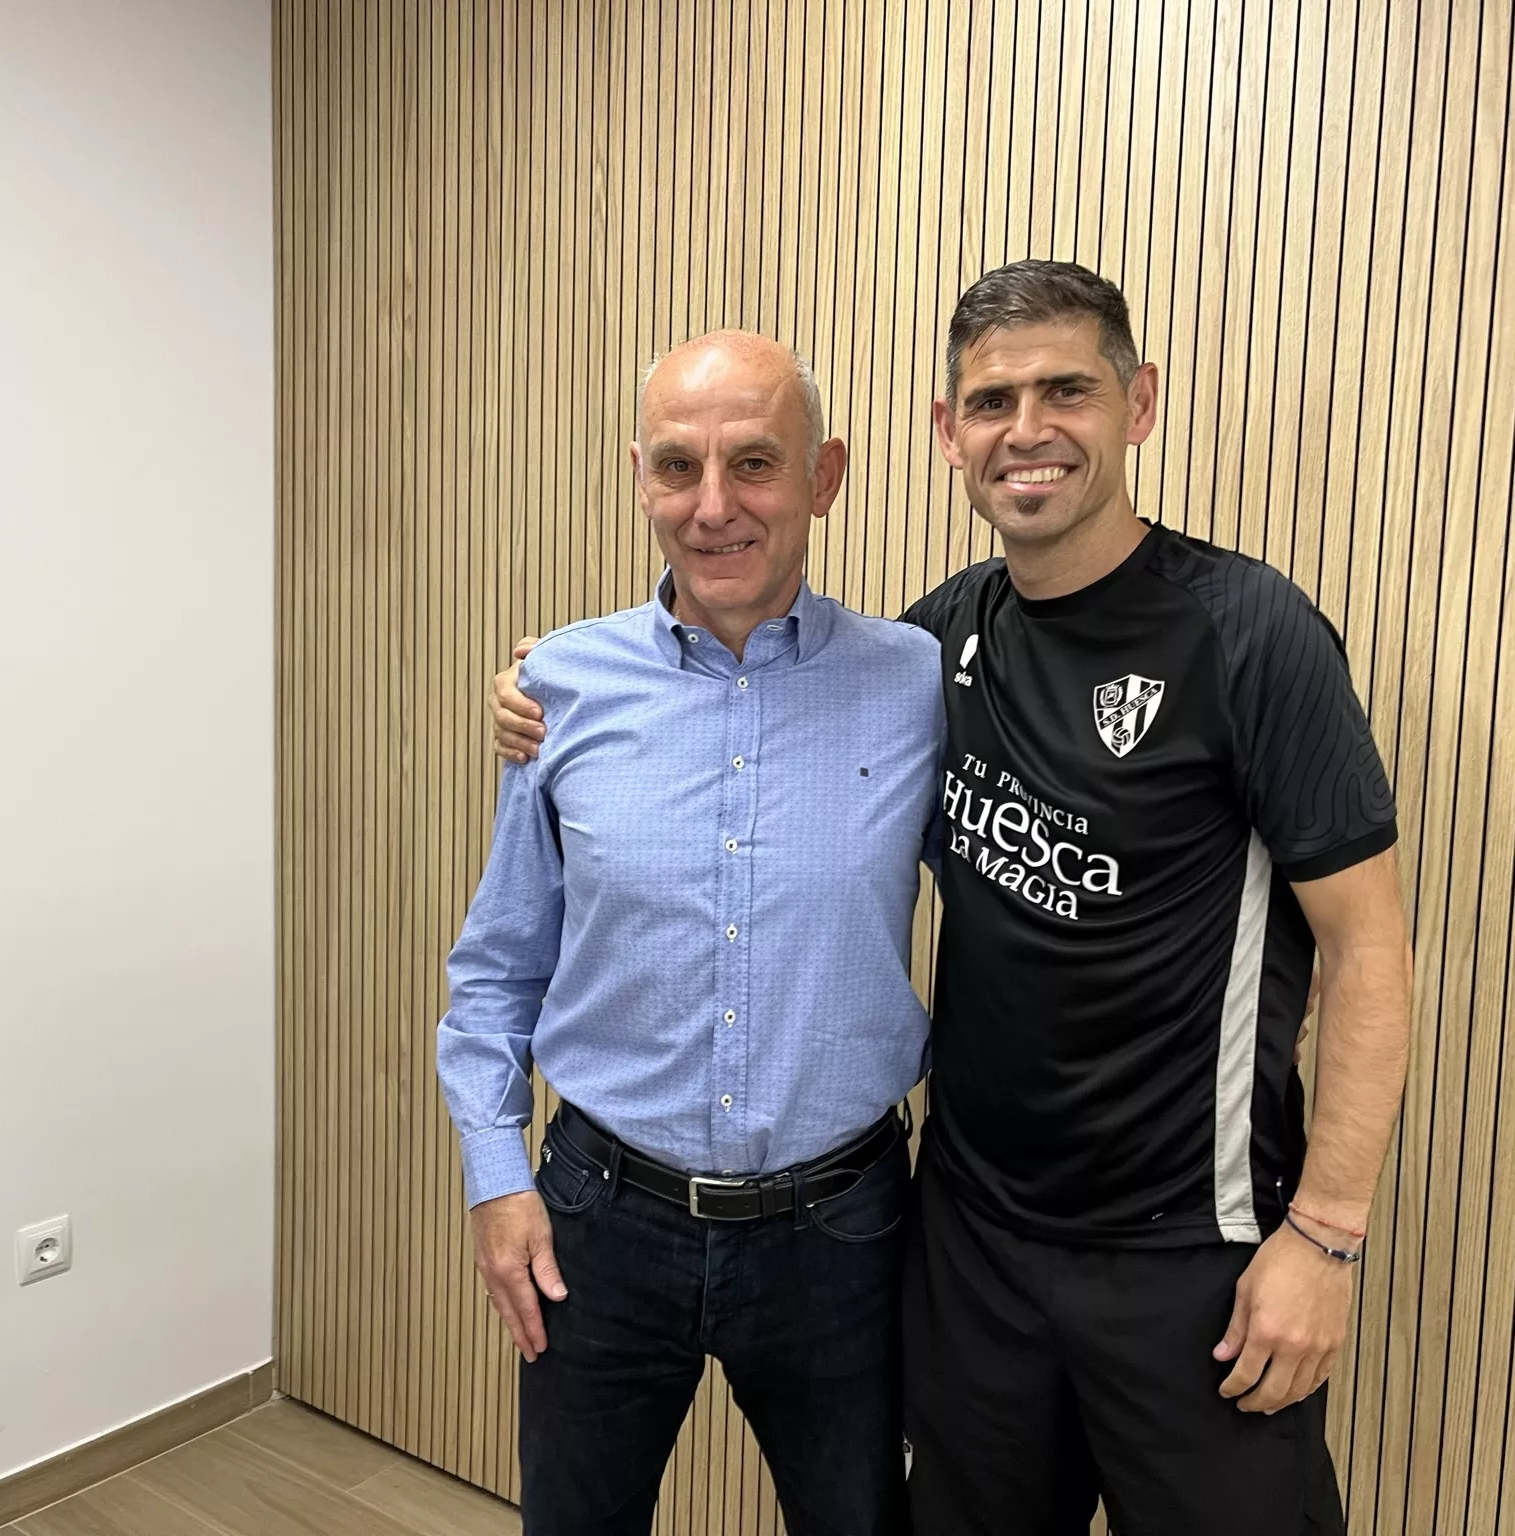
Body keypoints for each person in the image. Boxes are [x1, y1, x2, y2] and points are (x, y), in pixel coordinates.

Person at [492, 261, 1414, 1535]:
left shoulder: (1246, 634)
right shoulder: (931, 650)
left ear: (1136, 403)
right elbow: (747, 708)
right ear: (947, 434)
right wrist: (551, 683)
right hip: (969, 1238)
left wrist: (1324, 1237)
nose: (1025, 430)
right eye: (990, 401)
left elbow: (1368, 951)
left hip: (1187, 1247)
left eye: (1065, 390)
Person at [437, 329, 942, 1536]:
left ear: (822, 475)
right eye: (677, 468)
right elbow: (498, 968)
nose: (712, 508)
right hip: (600, 1220)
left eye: (754, 466)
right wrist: (495, 1178)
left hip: (844, 1229)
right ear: (639, 475)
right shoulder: (559, 685)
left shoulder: (919, 681)